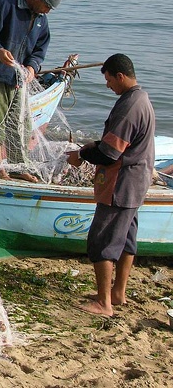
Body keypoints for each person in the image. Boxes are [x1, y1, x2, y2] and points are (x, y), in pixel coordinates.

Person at [66, 54, 156, 317]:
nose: (107, 86)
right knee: (127, 238)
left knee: (101, 240)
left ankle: (104, 303)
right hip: (138, 181)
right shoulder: (142, 99)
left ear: (120, 76)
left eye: (108, 80)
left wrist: (80, 156)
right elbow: (117, 144)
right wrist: (91, 146)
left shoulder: (129, 107)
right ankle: (118, 293)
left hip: (121, 183)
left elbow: (110, 154)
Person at [0, 0, 64, 182]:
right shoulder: (7, 5)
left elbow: (40, 48)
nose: (47, 12)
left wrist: (32, 67)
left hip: (19, 80)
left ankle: (17, 166)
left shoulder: (42, 20)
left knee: (19, 124)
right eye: (47, 6)